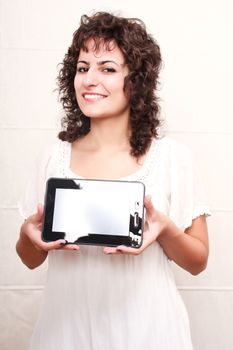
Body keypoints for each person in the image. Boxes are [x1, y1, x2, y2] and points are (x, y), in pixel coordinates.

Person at [16, 11, 210, 350]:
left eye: (107, 68)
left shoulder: (170, 159)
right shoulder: (53, 158)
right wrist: (28, 235)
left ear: (135, 80)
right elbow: (30, 258)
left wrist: (164, 228)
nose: (90, 79)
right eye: (82, 68)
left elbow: (198, 262)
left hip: (148, 333)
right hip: (65, 333)